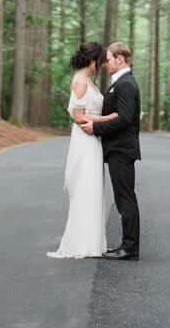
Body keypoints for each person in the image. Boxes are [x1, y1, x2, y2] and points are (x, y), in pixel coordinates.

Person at [47, 41, 117, 258]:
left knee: (94, 189)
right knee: (86, 189)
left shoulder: (88, 80)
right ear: (92, 60)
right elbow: (78, 117)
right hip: (85, 141)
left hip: (93, 140)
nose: (102, 65)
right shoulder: (80, 81)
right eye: (101, 60)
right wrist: (108, 118)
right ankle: (81, 244)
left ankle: (93, 243)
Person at [79, 41, 141, 261]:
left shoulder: (125, 84)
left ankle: (130, 248)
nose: (104, 64)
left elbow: (124, 118)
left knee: (125, 199)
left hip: (122, 149)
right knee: (123, 197)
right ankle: (127, 245)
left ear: (119, 59)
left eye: (108, 60)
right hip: (118, 149)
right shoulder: (120, 83)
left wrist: (96, 127)